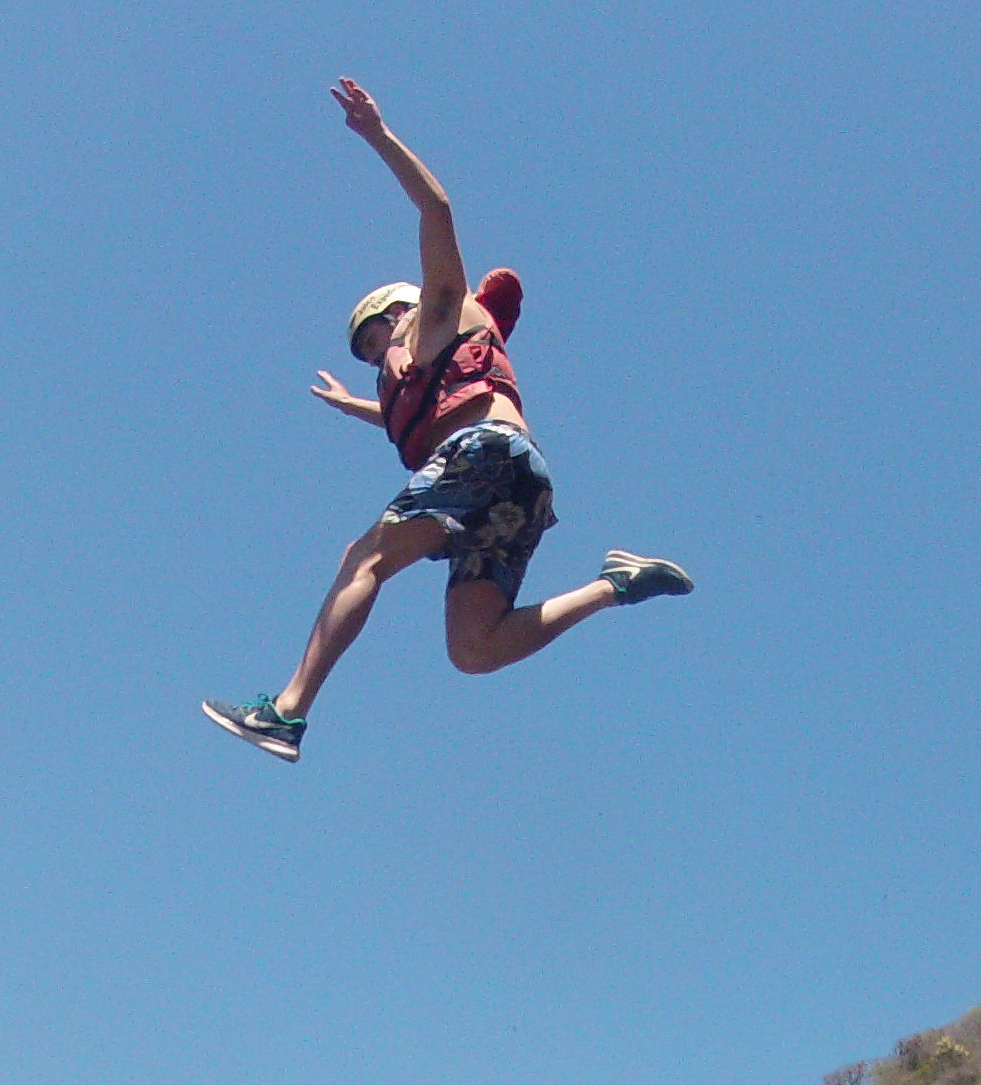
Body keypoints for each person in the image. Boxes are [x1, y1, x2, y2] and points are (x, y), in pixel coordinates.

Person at [201, 80, 692, 763]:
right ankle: (615, 585)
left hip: (484, 453)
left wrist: (377, 134)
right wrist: (360, 407)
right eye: (372, 354)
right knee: (474, 649)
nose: (381, 354)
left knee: (362, 559)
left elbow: (436, 206)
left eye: (379, 337)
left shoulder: (437, 310)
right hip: (513, 481)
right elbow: (436, 412)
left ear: (404, 306)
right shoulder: (423, 367)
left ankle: (286, 711)